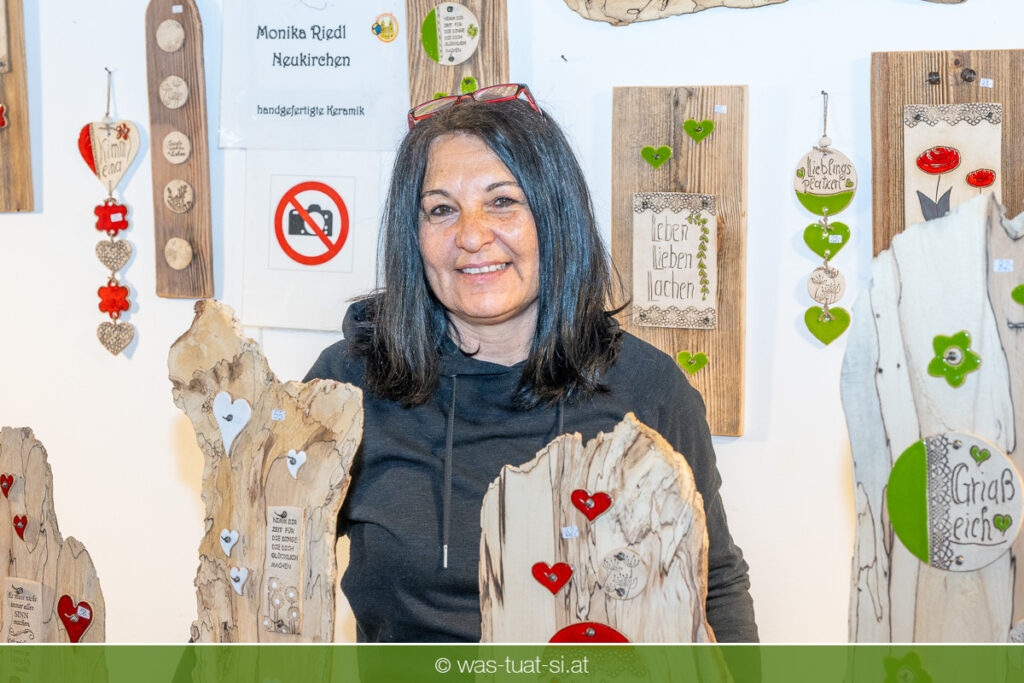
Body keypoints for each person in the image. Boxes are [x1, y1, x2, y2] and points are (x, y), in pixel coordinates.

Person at [305, 84, 757, 643]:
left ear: (555, 215)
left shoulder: (647, 388)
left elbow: (714, 585)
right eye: (441, 209)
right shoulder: (348, 385)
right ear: (412, 235)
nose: (472, 236)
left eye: (502, 201)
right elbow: (272, 557)